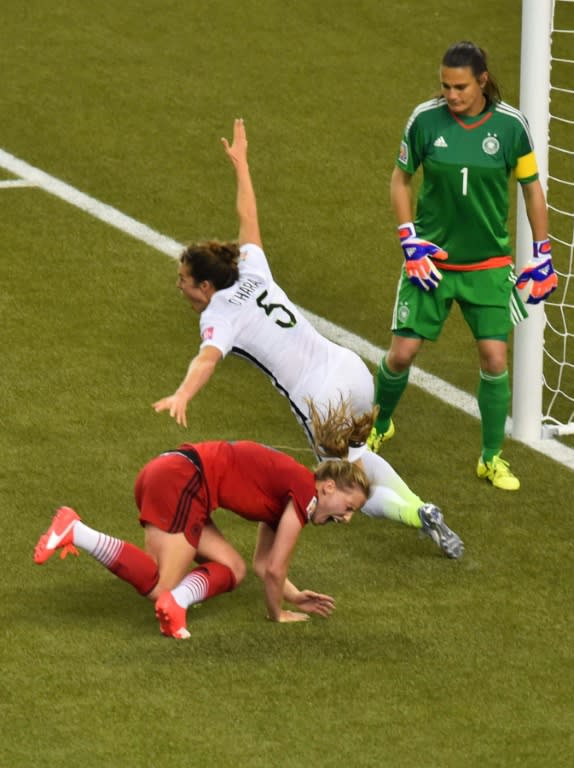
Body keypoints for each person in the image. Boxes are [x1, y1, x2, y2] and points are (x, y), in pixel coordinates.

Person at [153, 118, 463, 559]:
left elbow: (206, 360)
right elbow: (248, 218)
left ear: (206, 286)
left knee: (342, 489)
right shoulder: (251, 269)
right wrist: (241, 165)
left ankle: (415, 514)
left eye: (184, 279)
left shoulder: (220, 313)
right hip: (351, 369)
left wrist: (183, 394)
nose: (179, 286)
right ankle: (421, 507)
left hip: (319, 397)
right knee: (359, 457)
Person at [368, 41, 558, 491]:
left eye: (460, 87)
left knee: (494, 358)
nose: (451, 95)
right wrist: (408, 238)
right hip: (429, 264)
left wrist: (544, 252)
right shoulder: (424, 120)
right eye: (445, 86)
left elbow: (532, 188)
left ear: (482, 82)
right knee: (402, 353)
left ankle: (491, 458)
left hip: (489, 267)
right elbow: (401, 178)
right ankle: (379, 424)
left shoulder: (512, 127)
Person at [34, 440, 370, 638]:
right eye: (348, 506)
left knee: (233, 568)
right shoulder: (304, 495)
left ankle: (177, 602)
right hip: (183, 482)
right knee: (160, 586)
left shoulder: (291, 490)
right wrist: (276, 613)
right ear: (328, 487)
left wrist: (294, 596)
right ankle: (77, 531)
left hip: (176, 475)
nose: (347, 517)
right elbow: (275, 570)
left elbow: (262, 564)